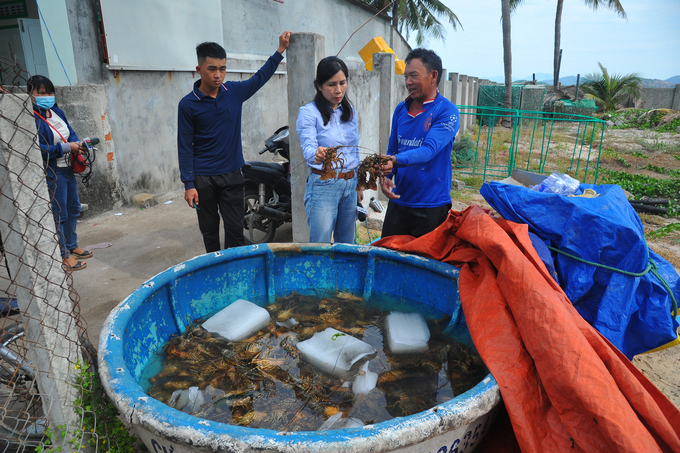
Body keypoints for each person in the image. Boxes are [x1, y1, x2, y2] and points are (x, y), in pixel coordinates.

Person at [177, 32, 292, 253]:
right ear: (199, 69)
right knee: (209, 231)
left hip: (231, 175)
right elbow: (184, 146)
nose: (218, 75)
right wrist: (189, 184)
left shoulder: (234, 92)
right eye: (212, 69)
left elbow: (260, 77)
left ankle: (235, 272)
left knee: (235, 229)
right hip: (203, 179)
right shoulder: (188, 105)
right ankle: (215, 268)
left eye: (222, 68)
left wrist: (280, 51)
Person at [379, 48, 460, 238]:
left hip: (431, 206)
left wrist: (394, 160)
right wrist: (387, 175)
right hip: (399, 201)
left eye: (413, 76)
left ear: (433, 76)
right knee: (388, 258)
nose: (408, 82)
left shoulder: (447, 112)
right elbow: (394, 148)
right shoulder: (401, 109)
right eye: (406, 76)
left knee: (423, 263)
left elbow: (429, 150)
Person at [29, 75, 92, 272]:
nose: (46, 96)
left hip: (68, 169)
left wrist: (77, 144)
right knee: (59, 214)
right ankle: (62, 254)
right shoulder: (31, 118)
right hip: (52, 171)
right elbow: (38, 148)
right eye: (41, 93)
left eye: (49, 92)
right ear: (31, 94)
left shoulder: (56, 111)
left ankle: (71, 245)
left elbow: (70, 132)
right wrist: (66, 148)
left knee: (73, 208)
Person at [296, 56, 361, 243]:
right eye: (331, 84)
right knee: (321, 244)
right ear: (319, 85)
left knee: (348, 244)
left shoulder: (350, 112)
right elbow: (308, 147)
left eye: (342, 83)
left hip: (350, 184)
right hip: (324, 184)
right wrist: (316, 154)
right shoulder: (308, 113)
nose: (338, 90)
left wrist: (357, 185)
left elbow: (353, 150)